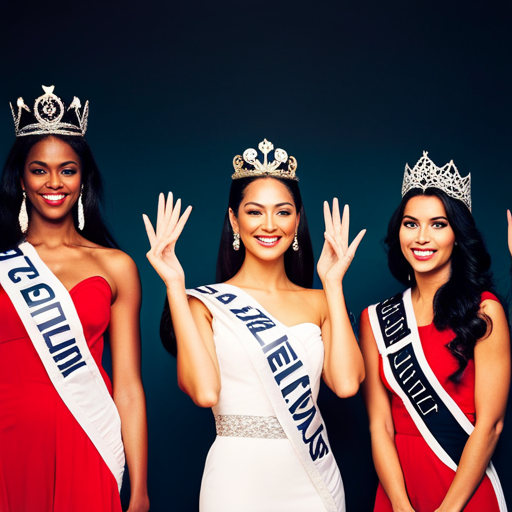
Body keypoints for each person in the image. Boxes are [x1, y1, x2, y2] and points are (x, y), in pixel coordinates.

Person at [143, 138, 365, 512]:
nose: (269, 225)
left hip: (312, 481)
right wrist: (174, 286)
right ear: (234, 220)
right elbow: (205, 393)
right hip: (236, 480)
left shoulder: (321, 300)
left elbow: (345, 385)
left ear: (297, 220)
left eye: (282, 212)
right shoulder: (204, 303)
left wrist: (333, 282)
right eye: (254, 212)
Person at [0, 85, 149, 512]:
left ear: (83, 179)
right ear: (21, 179)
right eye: (39, 170)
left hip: (89, 438)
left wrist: (139, 487)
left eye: (67, 170)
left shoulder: (115, 266)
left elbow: (129, 386)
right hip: (7, 442)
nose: (53, 183)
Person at [360, 151, 510, 512]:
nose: (422, 237)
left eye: (438, 224)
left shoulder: (485, 312)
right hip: (399, 492)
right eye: (411, 223)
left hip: (465, 493)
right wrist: (399, 504)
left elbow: (491, 425)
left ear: (457, 234)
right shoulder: (375, 319)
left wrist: (447, 510)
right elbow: (379, 425)